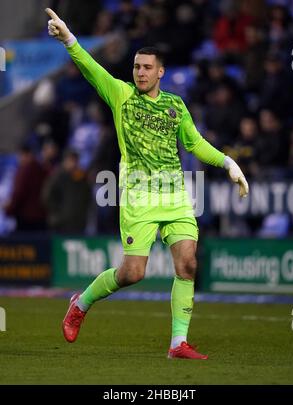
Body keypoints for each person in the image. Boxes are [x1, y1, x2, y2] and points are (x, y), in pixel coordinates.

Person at [46, 8, 249, 360]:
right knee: (132, 273)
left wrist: (228, 162)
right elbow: (92, 70)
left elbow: (195, 143)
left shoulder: (175, 105)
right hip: (138, 196)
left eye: (147, 67)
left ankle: (177, 344)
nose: (140, 72)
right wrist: (69, 40)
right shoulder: (121, 95)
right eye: (137, 66)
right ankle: (82, 302)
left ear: (160, 72)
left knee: (187, 264)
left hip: (175, 196)